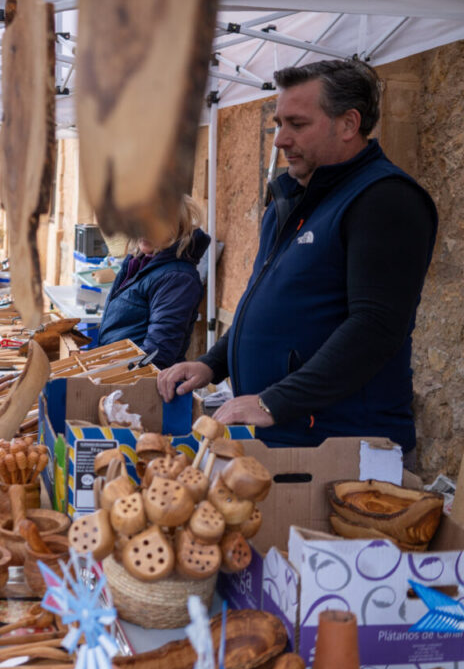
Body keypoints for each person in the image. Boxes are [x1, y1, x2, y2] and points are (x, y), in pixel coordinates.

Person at [158, 59, 437, 454]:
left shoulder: (384, 199)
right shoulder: (289, 199)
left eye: (297, 124)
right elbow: (270, 305)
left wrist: (274, 401)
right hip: (283, 436)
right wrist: (211, 364)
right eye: (278, 124)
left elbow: (375, 327)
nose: (279, 140)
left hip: (340, 445)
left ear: (348, 124)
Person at [95, 195, 210, 368]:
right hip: (121, 373)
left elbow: (158, 352)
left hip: (142, 382)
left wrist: (114, 367)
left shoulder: (177, 278)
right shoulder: (138, 262)